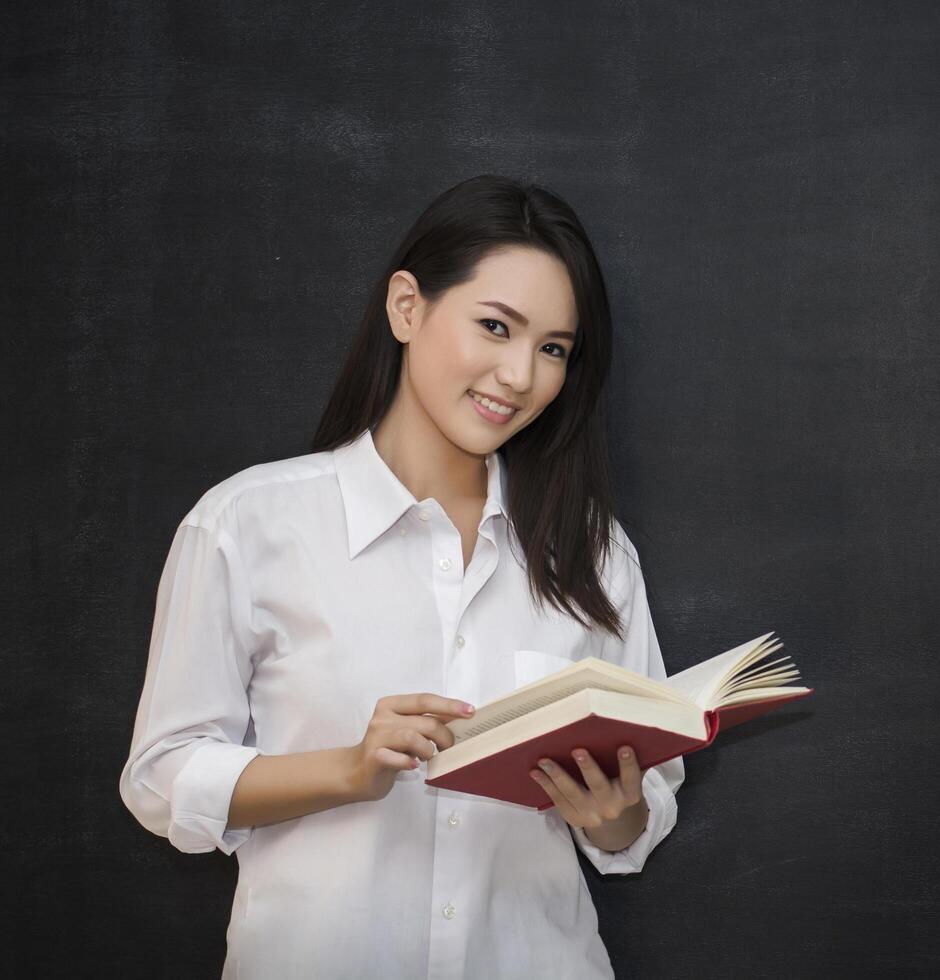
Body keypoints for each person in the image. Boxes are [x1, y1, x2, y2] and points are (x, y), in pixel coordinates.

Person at [118, 174, 684, 979]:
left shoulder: (591, 554)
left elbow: (639, 818)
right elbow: (161, 777)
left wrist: (615, 815)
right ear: (407, 308)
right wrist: (348, 769)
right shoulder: (249, 523)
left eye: (553, 348)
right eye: (495, 326)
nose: (521, 376)